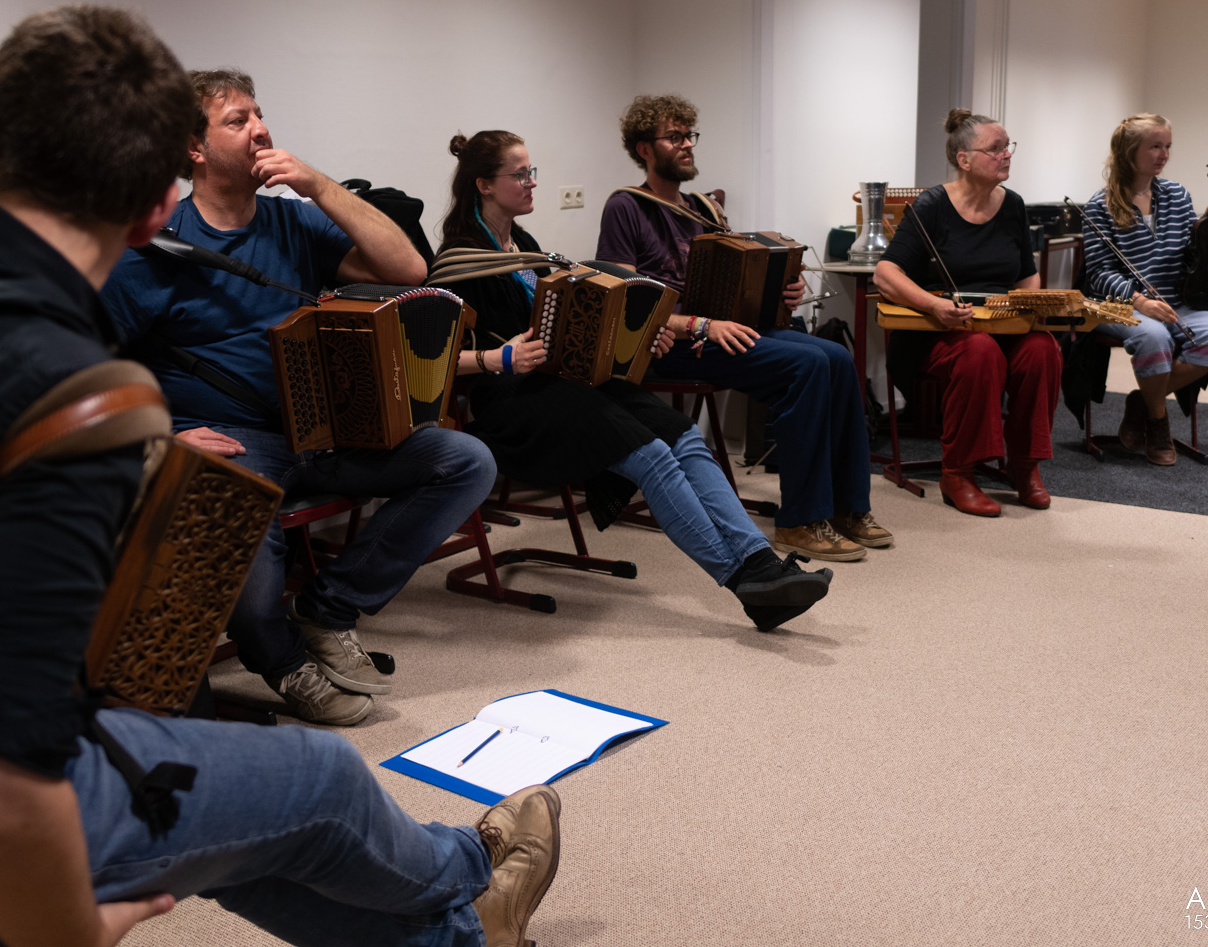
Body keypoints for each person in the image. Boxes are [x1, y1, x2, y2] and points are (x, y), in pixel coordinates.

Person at [0, 6, 557, 947]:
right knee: (320, 780)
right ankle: (470, 878)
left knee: (233, 813)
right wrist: (66, 931)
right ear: (153, 212)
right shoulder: (77, 402)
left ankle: (458, 931)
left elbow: (404, 267)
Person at [101, 69, 497, 725]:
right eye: (238, 120)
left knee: (465, 461)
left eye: (259, 113)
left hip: (325, 429)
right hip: (233, 443)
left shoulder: (294, 220)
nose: (260, 128)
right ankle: (285, 665)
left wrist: (318, 185)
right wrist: (158, 438)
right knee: (253, 599)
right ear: (193, 148)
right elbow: (82, 365)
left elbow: (408, 271)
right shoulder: (150, 248)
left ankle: (327, 609)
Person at [432, 130, 832, 632]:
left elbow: (572, 327)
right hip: (511, 401)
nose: (532, 182)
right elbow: (436, 360)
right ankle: (744, 582)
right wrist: (498, 358)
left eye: (532, 172)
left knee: (684, 437)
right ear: (484, 185)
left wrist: (641, 339)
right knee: (651, 455)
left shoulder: (525, 245)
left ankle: (761, 563)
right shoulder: (457, 261)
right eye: (520, 174)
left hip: (564, 383)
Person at [594, 94, 892, 563]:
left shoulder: (705, 209)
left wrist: (783, 293)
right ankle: (798, 522)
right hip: (672, 342)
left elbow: (735, 282)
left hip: (721, 331)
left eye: (689, 135)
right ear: (644, 149)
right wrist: (701, 324)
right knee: (807, 364)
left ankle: (847, 507)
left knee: (836, 357)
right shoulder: (625, 207)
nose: (687, 144)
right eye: (674, 137)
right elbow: (626, 299)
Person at [873, 108, 1060, 518]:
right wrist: (934, 304)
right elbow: (885, 274)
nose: (1006, 154)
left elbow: (1026, 274)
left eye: (1008, 146)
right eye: (995, 148)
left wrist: (1032, 307)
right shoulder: (931, 205)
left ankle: (1024, 466)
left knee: (1043, 348)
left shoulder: (1013, 205)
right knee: (979, 350)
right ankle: (958, 473)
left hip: (1001, 328)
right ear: (964, 159)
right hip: (935, 333)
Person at [1080, 113, 1208, 465]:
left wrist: (1206, 224)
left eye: (1167, 146)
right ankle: (1158, 422)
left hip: (1177, 299)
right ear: (1129, 151)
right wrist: (1140, 302)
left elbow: (1191, 254)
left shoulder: (1178, 194)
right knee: (1153, 337)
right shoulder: (1099, 206)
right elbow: (1099, 274)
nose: (1164, 155)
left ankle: (1142, 404)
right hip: (1120, 305)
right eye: (1154, 147)